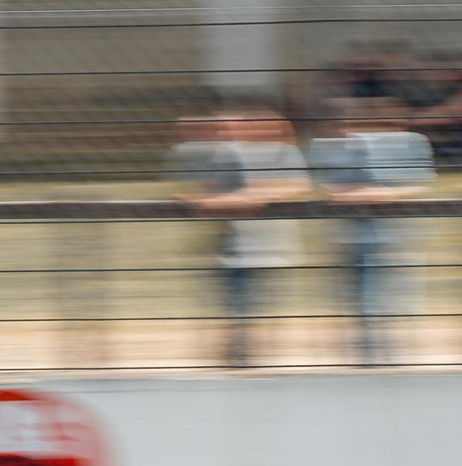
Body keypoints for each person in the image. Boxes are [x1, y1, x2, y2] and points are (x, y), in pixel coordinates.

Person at [174, 106, 309, 368]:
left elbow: (299, 185)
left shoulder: (286, 152)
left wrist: (254, 196)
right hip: (236, 243)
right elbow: (211, 191)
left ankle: (261, 354)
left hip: (273, 244)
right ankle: (238, 353)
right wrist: (219, 200)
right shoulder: (229, 152)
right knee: (236, 304)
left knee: (265, 306)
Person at [306, 98, 433, 365]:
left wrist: (383, 193)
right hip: (354, 234)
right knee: (362, 295)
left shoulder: (409, 143)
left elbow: (417, 182)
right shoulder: (332, 147)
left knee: (395, 295)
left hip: (395, 234)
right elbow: (328, 187)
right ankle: (370, 353)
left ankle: (390, 351)